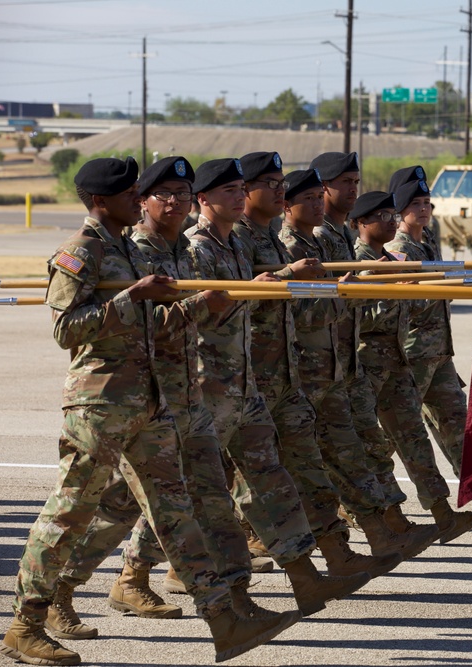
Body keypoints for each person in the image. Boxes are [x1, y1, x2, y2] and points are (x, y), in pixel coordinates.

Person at [0, 156, 299, 666]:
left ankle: (222, 616)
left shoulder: (132, 250)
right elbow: (66, 329)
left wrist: (201, 305)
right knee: (69, 513)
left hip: (153, 400)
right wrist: (132, 298)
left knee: (176, 511)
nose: (137, 200)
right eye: (128, 194)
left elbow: (156, 323)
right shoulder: (82, 251)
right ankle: (24, 625)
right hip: (101, 404)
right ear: (99, 201)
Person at [184, 158, 368, 616]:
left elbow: (274, 308)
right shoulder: (196, 249)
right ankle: (138, 572)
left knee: (272, 482)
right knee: (189, 492)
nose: (278, 191)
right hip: (213, 385)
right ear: (204, 199)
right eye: (263, 184)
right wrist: (283, 281)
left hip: (253, 382)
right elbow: (209, 312)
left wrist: (326, 291)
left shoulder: (240, 244)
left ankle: (305, 577)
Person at [233, 152, 404, 578]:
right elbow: (274, 309)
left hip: (294, 375)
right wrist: (337, 294)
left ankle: (335, 554)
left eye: (281, 185)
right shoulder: (248, 243)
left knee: (308, 465)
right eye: (270, 185)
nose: (279, 192)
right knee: (211, 479)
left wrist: (348, 290)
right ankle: (148, 570)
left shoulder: (269, 240)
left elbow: (294, 310)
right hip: (249, 379)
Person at [278, 169, 439, 562]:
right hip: (297, 371)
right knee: (278, 468)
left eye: (321, 196)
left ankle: (378, 533)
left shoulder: (323, 240)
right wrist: (353, 293)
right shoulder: (293, 245)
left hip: (336, 368)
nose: (320, 203)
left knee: (352, 451)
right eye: (312, 197)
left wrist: (356, 293)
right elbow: (298, 310)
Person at [386, 167, 472, 529]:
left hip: (439, 352)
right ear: (400, 210)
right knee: (393, 434)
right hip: (413, 352)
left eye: (426, 203)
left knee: (457, 426)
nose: (423, 210)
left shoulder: (428, 240)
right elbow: (405, 303)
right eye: (415, 204)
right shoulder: (397, 250)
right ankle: (358, 502)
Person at [350, 191, 472, 544]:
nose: (389, 220)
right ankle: (367, 515)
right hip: (372, 365)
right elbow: (358, 317)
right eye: (381, 215)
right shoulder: (358, 262)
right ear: (361, 223)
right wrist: (404, 295)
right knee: (374, 445)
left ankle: (443, 514)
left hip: (399, 362)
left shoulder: (391, 256)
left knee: (414, 438)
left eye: (389, 213)